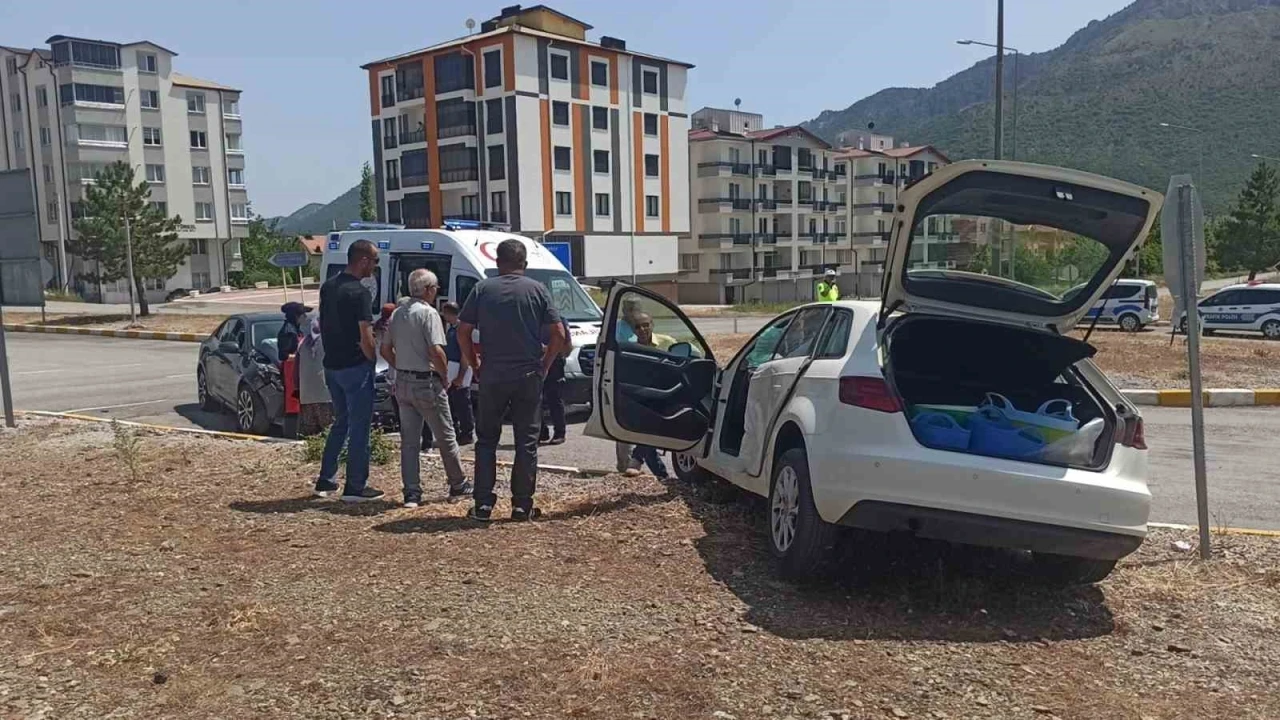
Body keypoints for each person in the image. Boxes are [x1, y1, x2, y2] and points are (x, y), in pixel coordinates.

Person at [458, 239, 567, 522]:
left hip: (493, 374)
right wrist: (545, 364)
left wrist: (474, 363)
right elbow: (559, 334)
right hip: (528, 375)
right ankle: (521, 505)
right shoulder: (537, 290)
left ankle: (483, 505)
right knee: (526, 442)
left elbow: (462, 331)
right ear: (524, 264)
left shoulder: (482, 289)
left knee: (486, 440)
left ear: (497, 262)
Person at [381, 269, 472, 508]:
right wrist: (444, 375)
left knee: (409, 441)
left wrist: (400, 366)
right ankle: (458, 483)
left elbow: (385, 349)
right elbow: (436, 350)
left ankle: (411, 492)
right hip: (426, 381)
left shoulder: (397, 313)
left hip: (403, 381)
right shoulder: (428, 313)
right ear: (429, 290)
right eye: (435, 288)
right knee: (446, 435)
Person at [313, 239, 383, 503]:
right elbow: (365, 334)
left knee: (341, 422)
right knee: (360, 427)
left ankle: (326, 478)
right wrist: (372, 359)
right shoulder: (360, 293)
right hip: (355, 366)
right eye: (375, 261)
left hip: (332, 365)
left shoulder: (329, 287)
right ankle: (355, 486)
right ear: (363, 260)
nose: (375, 266)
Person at [622, 311, 674, 479]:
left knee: (649, 429)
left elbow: (688, 356)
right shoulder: (630, 348)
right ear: (633, 330)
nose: (643, 329)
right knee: (648, 431)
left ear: (652, 324)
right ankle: (662, 475)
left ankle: (637, 459)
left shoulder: (667, 342)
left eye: (646, 325)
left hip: (667, 394)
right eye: (638, 327)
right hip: (641, 396)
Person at [441, 302, 475, 445]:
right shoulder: (452, 329)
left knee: (462, 402)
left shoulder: (461, 329)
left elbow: (464, 354)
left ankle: (467, 433)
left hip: (460, 368)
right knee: (452, 402)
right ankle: (456, 431)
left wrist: (461, 376)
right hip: (452, 367)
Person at [296, 312, 333, 437]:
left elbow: (296, 371)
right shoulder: (329, 341)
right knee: (329, 432)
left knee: (310, 434)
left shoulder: (302, 344)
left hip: (306, 396)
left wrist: (297, 389)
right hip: (325, 395)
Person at [539, 316, 572, 445]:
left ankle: (559, 432)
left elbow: (567, 346)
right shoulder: (531, 316)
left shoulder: (558, 319)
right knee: (533, 398)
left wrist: (552, 351)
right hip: (534, 361)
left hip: (554, 361)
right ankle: (541, 431)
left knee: (554, 398)